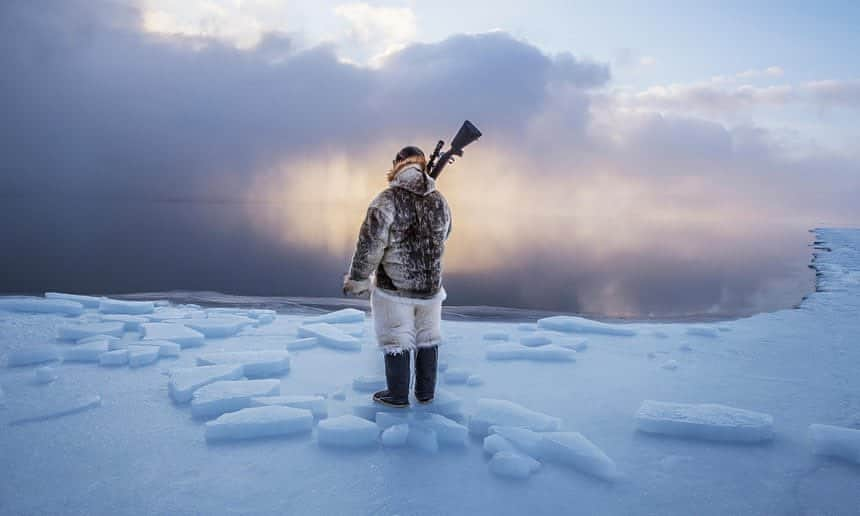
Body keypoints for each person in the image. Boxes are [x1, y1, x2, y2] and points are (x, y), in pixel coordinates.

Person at [342, 145, 453, 407]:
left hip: (395, 288)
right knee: (428, 336)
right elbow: (445, 234)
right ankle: (426, 393)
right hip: (430, 287)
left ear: (397, 165)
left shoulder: (387, 199)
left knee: (395, 337)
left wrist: (358, 279)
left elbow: (369, 245)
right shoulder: (440, 200)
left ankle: (398, 394)